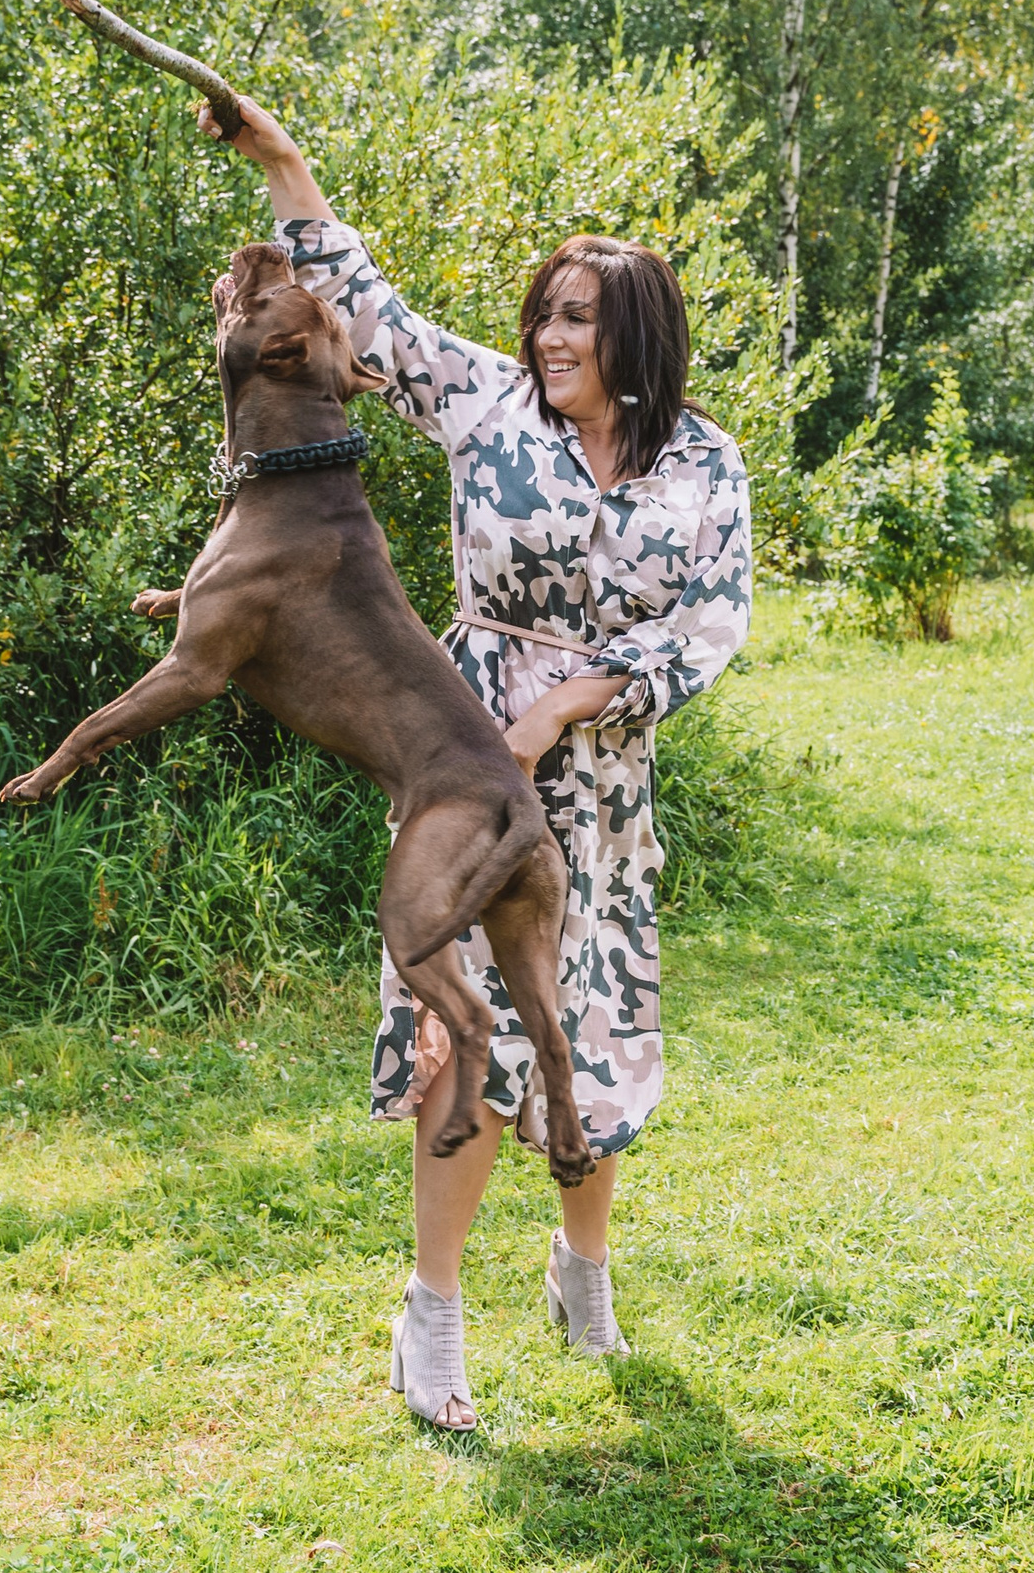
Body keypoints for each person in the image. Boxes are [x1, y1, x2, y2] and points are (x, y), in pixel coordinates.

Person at [199, 95, 756, 1430]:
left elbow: (713, 620)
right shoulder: (487, 405)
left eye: (580, 319)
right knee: (465, 1035)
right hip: (465, 763)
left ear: (637, 337)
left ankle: (581, 1272)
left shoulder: (705, 464)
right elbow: (365, 304)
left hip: (596, 788)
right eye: (546, 315)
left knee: (587, 1038)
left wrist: (572, 703)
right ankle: (433, 1316)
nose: (550, 338)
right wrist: (285, 165)